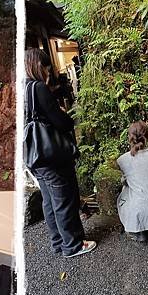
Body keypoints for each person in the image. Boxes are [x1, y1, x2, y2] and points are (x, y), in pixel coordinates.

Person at [24, 48, 96, 257]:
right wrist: (66, 116)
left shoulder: (23, 89)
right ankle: (73, 245)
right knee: (63, 199)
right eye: (47, 68)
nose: (48, 72)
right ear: (39, 66)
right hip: (49, 155)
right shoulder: (38, 88)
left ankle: (58, 242)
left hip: (33, 156)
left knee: (49, 200)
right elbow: (61, 122)